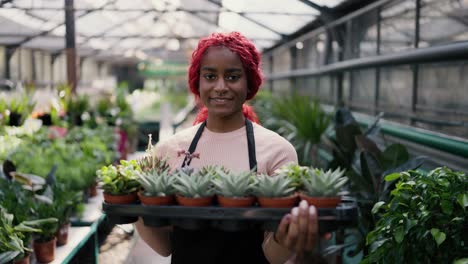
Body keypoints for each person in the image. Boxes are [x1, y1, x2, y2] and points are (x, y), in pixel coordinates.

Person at [135, 32, 321, 264]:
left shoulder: (277, 151)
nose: (220, 87)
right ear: (198, 81)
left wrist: (288, 239)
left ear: (249, 82)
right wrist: (135, 207)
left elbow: (273, 256)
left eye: (232, 77)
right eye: (210, 76)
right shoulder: (170, 150)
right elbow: (164, 247)